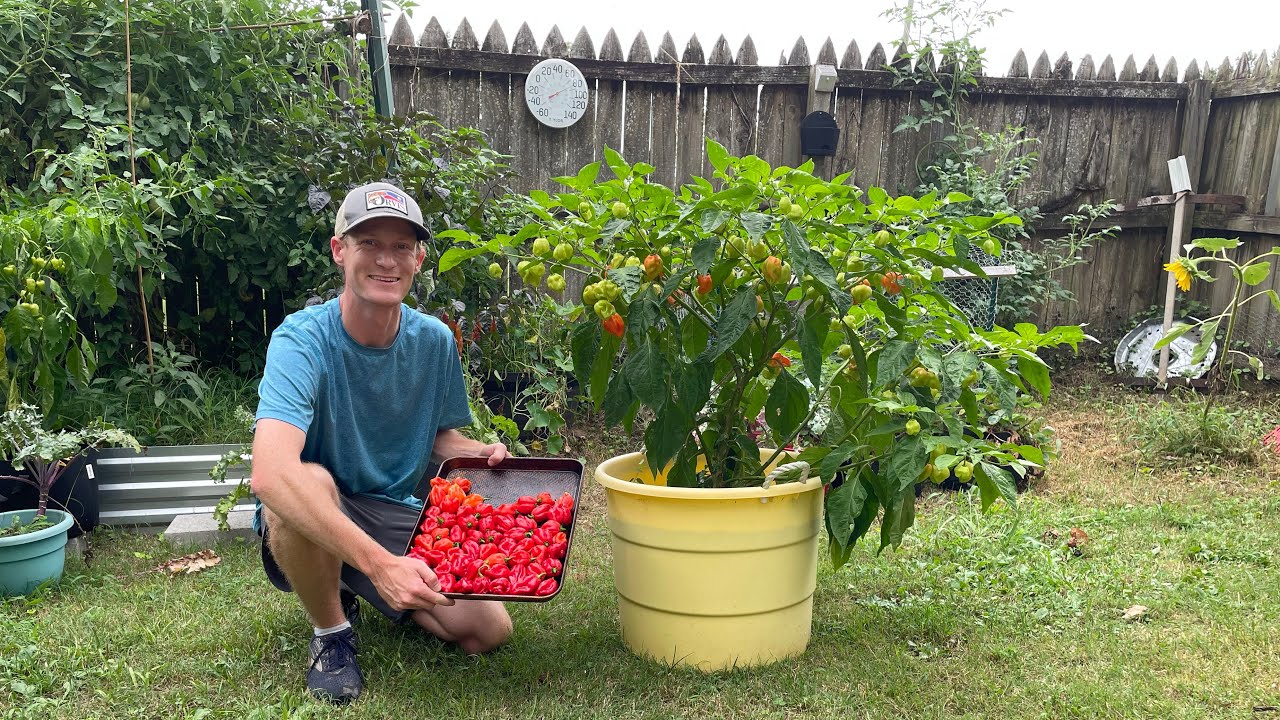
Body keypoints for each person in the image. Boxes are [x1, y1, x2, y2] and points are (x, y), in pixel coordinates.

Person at [250, 181, 512, 705]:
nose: (386, 260)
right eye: (369, 243)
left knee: (487, 630)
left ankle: (352, 577)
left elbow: (439, 437)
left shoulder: (434, 341)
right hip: (315, 506)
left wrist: (476, 453)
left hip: (388, 507)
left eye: (401, 246)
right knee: (307, 480)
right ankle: (332, 632)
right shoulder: (301, 340)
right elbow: (271, 474)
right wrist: (380, 564)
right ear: (339, 250)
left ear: (418, 259)